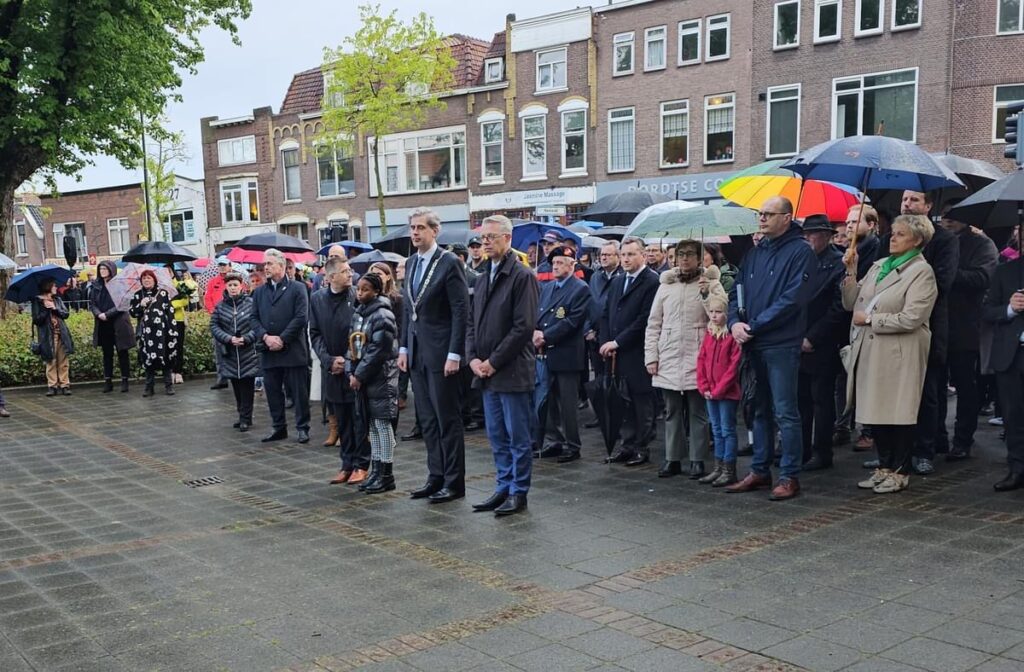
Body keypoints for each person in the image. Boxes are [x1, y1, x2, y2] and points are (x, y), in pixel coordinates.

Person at [726, 196, 817, 501]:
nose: (761, 219)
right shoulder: (755, 253)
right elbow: (736, 291)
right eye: (759, 214)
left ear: (786, 218)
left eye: (768, 214)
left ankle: (789, 475)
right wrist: (734, 323)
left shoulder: (801, 252)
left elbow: (793, 298)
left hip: (780, 343)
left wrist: (756, 325)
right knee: (758, 408)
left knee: (785, 411)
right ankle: (760, 470)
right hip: (753, 342)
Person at [842, 214, 938, 494]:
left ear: (917, 240)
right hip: (871, 350)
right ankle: (883, 466)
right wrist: (851, 270)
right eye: (892, 232)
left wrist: (873, 321)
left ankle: (900, 470)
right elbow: (852, 303)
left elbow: (913, 317)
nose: (892, 238)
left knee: (897, 412)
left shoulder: (922, 272)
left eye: (899, 234)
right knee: (875, 411)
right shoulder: (879, 265)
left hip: (899, 352)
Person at [467, 215, 540, 516]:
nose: (486, 243)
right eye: (483, 238)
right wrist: (472, 357)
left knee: (517, 436)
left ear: (507, 239)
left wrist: (493, 362)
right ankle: (503, 486)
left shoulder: (522, 277)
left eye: (491, 237)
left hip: (510, 371)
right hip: (485, 372)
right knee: (496, 435)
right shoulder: (483, 277)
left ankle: (518, 492)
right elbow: (473, 322)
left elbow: (523, 327)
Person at [398, 207, 470, 503]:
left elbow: (460, 310)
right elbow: (407, 309)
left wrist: (455, 353)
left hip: (442, 353)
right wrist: (403, 347)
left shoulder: (449, 263)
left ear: (434, 231)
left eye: (420, 228)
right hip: (417, 353)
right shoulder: (412, 263)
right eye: (413, 228)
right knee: (427, 420)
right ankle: (435, 475)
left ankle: (454, 482)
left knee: (446, 419)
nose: (415, 233)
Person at [645, 241, 726, 478]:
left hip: (698, 354)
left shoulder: (711, 282)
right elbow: (654, 323)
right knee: (671, 410)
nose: (684, 258)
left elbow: (720, 313)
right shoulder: (666, 285)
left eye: (690, 254)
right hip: (669, 353)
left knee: (697, 410)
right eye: (680, 254)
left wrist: (705, 293)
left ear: (701, 258)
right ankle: (672, 458)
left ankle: (697, 458)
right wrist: (651, 356)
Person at [896, 191, 959, 475]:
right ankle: (896, 452)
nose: (907, 204)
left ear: (928, 206)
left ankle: (925, 449)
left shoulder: (945, 241)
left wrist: (910, 288)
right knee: (897, 392)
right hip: (896, 329)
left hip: (929, 327)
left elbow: (943, 283)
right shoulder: (895, 239)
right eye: (904, 199)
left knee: (927, 392)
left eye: (914, 200)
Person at [939, 205, 998, 461]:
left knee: (965, 385)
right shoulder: (936, 241)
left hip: (965, 326)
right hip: (938, 325)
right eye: (945, 216)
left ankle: (963, 439)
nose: (948, 220)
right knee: (935, 385)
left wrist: (949, 274)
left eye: (954, 216)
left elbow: (983, 277)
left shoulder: (981, 245)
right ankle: (937, 436)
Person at [600, 237, 660, 466]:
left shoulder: (651, 282)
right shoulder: (617, 281)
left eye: (631, 254)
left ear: (643, 256)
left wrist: (618, 342)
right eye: (623, 254)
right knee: (622, 400)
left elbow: (644, 320)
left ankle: (641, 447)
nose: (626, 259)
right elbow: (606, 313)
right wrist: (605, 341)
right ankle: (626, 444)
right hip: (615, 352)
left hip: (637, 351)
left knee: (641, 401)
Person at [310, 257, 370, 485]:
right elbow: (314, 333)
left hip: (354, 368)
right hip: (331, 369)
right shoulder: (317, 299)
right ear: (331, 277)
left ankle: (361, 464)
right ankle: (346, 463)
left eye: (350, 270)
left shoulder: (357, 296)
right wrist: (327, 360)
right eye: (345, 271)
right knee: (342, 419)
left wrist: (345, 361)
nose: (350, 274)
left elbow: (362, 331)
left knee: (358, 418)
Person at [533, 244, 591, 463]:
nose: (555, 267)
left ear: (571, 264)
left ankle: (572, 444)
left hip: (566, 354)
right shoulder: (547, 287)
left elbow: (572, 321)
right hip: (545, 352)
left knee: (567, 404)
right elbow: (537, 313)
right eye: (554, 263)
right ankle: (553, 440)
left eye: (560, 263)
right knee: (547, 400)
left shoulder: (580, 288)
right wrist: (535, 332)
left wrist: (545, 336)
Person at [798, 215, 847, 471]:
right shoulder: (800, 261)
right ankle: (802, 448)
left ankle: (822, 450)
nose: (807, 239)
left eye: (813, 234)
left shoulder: (838, 262)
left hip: (823, 342)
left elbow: (839, 307)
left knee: (822, 400)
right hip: (797, 339)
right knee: (801, 400)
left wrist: (813, 336)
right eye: (804, 234)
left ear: (827, 236)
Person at [252, 248, 311, 444]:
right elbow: (253, 318)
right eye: (264, 264)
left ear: (282, 266)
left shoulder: (297, 288)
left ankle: (302, 427)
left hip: (292, 349)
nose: (265, 267)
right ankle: (279, 427)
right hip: (269, 351)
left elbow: (301, 317)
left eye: (269, 263)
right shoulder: (259, 291)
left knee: (299, 391)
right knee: (273, 391)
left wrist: (282, 339)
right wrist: (266, 337)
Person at [349, 272, 400, 494]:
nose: (360, 293)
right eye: (358, 289)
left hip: (381, 378)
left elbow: (378, 351)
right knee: (372, 426)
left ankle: (386, 473)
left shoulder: (382, 315)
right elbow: (353, 344)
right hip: (367, 378)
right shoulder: (359, 314)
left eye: (366, 289)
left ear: (377, 291)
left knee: (382, 426)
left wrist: (359, 374)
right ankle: (376, 471)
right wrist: (353, 370)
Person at [838, 205, 883, 451]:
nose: (849, 226)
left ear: (872, 224)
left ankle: (869, 430)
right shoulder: (850, 250)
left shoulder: (874, 250)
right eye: (847, 222)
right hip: (851, 319)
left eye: (855, 221)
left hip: (867, 321)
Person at [983, 244, 1024, 491]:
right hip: (1012, 354)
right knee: (1013, 415)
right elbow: (987, 311)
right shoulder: (1006, 272)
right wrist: (1010, 308)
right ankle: (1017, 468)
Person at [696, 295, 742, 486]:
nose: (714, 316)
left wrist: (719, 389)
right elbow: (701, 360)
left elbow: (733, 368)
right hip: (711, 391)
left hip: (727, 392)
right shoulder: (709, 333)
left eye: (718, 312)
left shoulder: (731, 336)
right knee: (716, 429)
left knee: (727, 429)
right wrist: (704, 386)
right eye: (712, 312)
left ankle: (729, 469)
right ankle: (718, 467)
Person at [210, 272, 260, 431]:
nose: (233, 288)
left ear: (241, 286)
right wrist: (228, 338)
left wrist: (246, 338)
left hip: (247, 352)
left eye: (235, 285)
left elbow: (258, 324)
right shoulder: (220, 306)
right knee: (236, 387)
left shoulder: (251, 304)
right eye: (230, 285)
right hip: (230, 353)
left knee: (247, 386)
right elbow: (214, 326)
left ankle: (246, 417)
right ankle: (241, 414)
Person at [446, 248, 485, 433]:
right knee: (461, 379)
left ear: (460, 258)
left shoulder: (474, 278)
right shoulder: (452, 276)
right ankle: (465, 413)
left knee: (471, 378)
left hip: (471, 333)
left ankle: (476, 415)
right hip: (457, 333)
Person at [129, 270, 178, 398]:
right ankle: (149, 387)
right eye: (144, 278)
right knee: (147, 358)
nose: (146, 280)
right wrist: (141, 305)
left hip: (163, 332)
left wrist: (172, 330)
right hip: (146, 333)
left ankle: (168, 385)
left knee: (166, 357)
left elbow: (170, 312)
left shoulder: (162, 293)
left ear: (154, 279)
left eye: (149, 278)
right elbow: (132, 312)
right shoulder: (138, 295)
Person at [90, 260, 134, 393]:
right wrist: (98, 314)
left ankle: (125, 380)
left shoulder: (119, 284)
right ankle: (108, 381)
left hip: (118, 322)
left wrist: (108, 314)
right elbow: (92, 304)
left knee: (122, 353)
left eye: (105, 268)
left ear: (111, 270)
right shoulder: (96, 285)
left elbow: (123, 304)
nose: (102, 271)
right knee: (107, 354)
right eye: (101, 269)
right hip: (103, 324)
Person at [585, 242, 622, 379]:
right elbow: (588, 304)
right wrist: (587, 329)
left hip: (614, 336)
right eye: (602, 255)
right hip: (594, 337)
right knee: (599, 377)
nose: (604, 258)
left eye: (608, 254)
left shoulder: (622, 277)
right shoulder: (595, 277)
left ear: (618, 257)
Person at [32, 278, 74, 396]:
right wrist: (46, 309)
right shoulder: (37, 301)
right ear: (48, 286)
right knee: (51, 360)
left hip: (61, 333)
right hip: (47, 335)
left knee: (63, 360)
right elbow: (37, 320)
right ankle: (52, 385)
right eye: (54, 286)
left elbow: (65, 314)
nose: (56, 288)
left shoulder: (58, 300)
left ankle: (65, 385)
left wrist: (55, 309)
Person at [204, 256, 232, 389]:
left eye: (224, 264)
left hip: (232, 320)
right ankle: (222, 378)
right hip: (218, 319)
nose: (222, 267)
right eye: (220, 264)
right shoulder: (213, 282)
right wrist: (213, 311)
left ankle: (236, 376)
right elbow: (207, 298)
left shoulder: (236, 281)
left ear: (230, 266)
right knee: (219, 350)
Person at [169, 267, 198, 384]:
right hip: (166, 320)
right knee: (168, 347)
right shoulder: (160, 285)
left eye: (169, 271)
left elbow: (185, 301)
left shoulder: (180, 284)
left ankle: (178, 371)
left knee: (178, 346)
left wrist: (171, 305)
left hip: (178, 319)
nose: (167, 273)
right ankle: (170, 371)